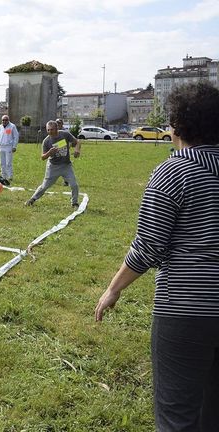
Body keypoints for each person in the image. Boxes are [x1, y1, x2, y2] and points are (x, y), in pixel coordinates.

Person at [95, 82, 219, 431]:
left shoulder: (174, 171)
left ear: (177, 126)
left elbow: (149, 246)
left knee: (177, 416)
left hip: (186, 310)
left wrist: (113, 288)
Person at [24, 120, 81, 207]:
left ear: (57, 128)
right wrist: (49, 153)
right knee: (45, 186)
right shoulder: (46, 141)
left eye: (52, 129)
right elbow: (42, 157)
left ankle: (74, 203)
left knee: (74, 185)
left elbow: (77, 142)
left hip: (66, 166)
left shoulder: (64, 134)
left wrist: (77, 150)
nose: (50, 132)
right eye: (48, 130)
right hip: (53, 167)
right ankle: (32, 199)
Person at [0, 115, 19, 181]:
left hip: (9, 147)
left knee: (8, 163)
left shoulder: (12, 126)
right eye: (3, 120)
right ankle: (3, 176)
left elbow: (16, 137)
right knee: (2, 162)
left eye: (6, 120)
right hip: (1, 147)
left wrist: (14, 146)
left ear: (8, 120)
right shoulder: (0, 127)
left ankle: (10, 176)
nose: (4, 121)